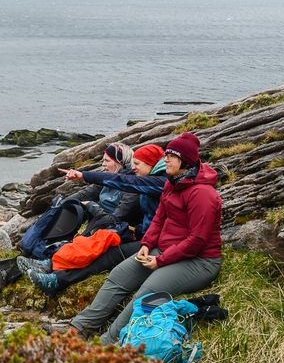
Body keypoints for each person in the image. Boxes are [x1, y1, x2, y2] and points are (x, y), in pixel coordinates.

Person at [69, 132, 222, 344]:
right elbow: (159, 218)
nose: (165, 159)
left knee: (148, 291)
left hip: (199, 260)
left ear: (185, 161)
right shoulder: (172, 182)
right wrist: (147, 244)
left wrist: (160, 260)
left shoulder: (203, 194)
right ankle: (79, 328)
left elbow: (197, 240)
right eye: (166, 154)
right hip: (166, 251)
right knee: (119, 274)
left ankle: (107, 343)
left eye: (171, 156)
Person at [0, 142, 137, 297]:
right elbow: (82, 194)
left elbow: (116, 219)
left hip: (110, 233)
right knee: (67, 212)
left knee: (52, 255)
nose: (103, 165)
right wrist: (61, 207)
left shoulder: (130, 186)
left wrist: (91, 206)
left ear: (120, 163)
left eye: (107, 161)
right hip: (96, 226)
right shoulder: (107, 181)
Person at [23, 143, 167, 296]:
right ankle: (49, 261)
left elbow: (124, 188)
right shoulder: (151, 180)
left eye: (137, 164)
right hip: (144, 233)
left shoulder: (157, 183)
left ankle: (57, 279)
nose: (133, 167)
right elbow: (153, 217)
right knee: (97, 236)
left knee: (108, 253)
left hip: (155, 240)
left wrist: (86, 185)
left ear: (150, 163)